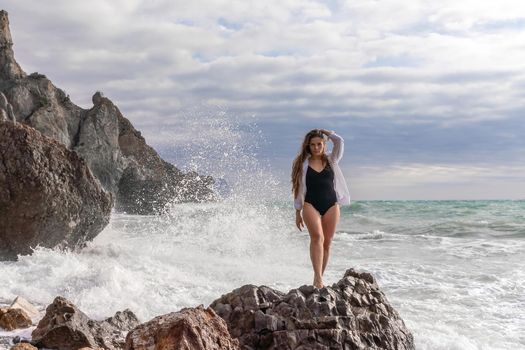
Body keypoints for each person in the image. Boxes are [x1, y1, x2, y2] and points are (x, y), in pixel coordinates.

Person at [291, 129, 350, 288]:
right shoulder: (302, 164)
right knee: (317, 237)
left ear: (324, 145)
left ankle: (319, 279)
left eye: (319, 144)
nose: (316, 147)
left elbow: (339, 141)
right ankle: (317, 278)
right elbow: (297, 189)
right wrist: (298, 212)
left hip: (331, 204)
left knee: (327, 242)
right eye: (313, 145)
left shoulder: (332, 160)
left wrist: (325, 132)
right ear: (308, 146)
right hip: (310, 204)